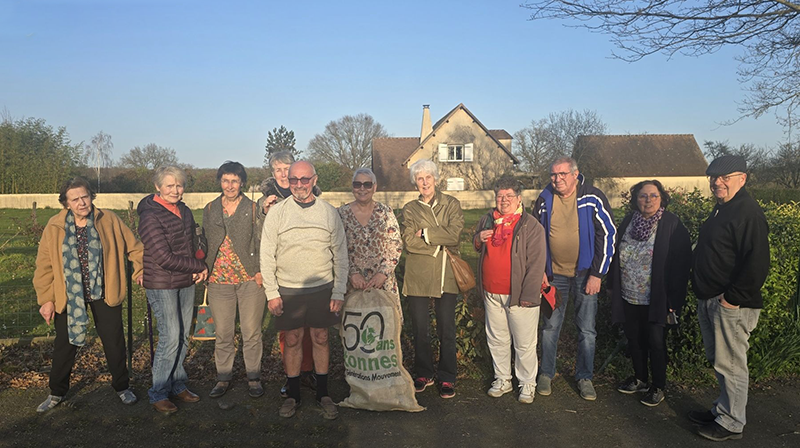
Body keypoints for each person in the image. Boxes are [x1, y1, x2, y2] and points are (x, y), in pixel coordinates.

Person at [33, 177, 143, 412]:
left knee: (114, 342)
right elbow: (44, 266)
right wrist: (46, 299)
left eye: (85, 196)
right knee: (64, 345)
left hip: (105, 291)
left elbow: (135, 247)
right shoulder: (55, 226)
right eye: (75, 199)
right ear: (66, 203)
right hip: (68, 296)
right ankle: (57, 393)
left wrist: (140, 270)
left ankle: (122, 387)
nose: (82, 202)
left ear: (91, 196)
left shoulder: (109, 219)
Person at [688, 155, 770, 442]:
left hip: (732, 304)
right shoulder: (723, 208)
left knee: (732, 364)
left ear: (742, 179)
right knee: (720, 361)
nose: (717, 182)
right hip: (712, 299)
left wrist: (732, 299)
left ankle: (732, 422)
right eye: (713, 177)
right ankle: (722, 410)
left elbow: (757, 263)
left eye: (725, 177)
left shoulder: (747, 212)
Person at [260, 160, 347, 420]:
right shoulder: (278, 212)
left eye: (304, 179)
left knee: (320, 338)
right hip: (289, 289)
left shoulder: (328, 212)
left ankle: (323, 393)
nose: (299, 184)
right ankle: (294, 394)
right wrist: (272, 293)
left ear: (314, 180)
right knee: (293, 339)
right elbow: (267, 255)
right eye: (294, 179)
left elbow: (340, 254)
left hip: (322, 287)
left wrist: (338, 291)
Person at [532, 156, 616, 401]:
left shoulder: (593, 197)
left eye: (562, 174)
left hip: (585, 275)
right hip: (553, 276)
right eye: (553, 174)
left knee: (587, 330)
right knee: (550, 328)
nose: (557, 179)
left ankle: (584, 377)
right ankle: (546, 373)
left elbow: (608, 234)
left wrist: (597, 274)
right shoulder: (544, 198)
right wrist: (540, 271)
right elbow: (534, 237)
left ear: (575, 175)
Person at [608, 180, 691, 407]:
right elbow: (615, 253)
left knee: (656, 342)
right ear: (636, 199)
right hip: (629, 294)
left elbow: (682, 265)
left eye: (654, 195)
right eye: (643, 196)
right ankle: (640, 378)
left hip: (657, 298)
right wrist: (611, 285)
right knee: (634, 339)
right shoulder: (628, 222)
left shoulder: (672, 224)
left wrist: (674, 299)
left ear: (661, 198)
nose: (648, 200)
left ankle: (658, 386)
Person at [137, 166, 208, 414]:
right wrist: (198, 266)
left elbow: (191, 244)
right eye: (169, 185)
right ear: (158, 187)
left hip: (185, 281)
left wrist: (199, 262)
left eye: (179, 185)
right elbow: (163, 257)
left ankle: (177, 384)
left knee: (183, 335)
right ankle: (158, 392)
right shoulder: (150, 216)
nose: (175, 190)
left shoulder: (184, 211)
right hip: (162, 283)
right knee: (170, 336)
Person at [473, 178, 546, 404]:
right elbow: (477, 245)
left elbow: (537, 264)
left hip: (519, 294)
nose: (504, 200)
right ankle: (503, 379)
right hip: (491, 291)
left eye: (509, 196)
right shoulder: (487, 220)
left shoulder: (530, 225)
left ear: (519, 199)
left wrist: (529, 296)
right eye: (500, 196)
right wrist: (478, 239)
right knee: (497, 339)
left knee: (524, 343)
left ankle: (527, 383)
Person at [400, 159, 464, 399]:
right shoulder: (409, 209)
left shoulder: (451, 204)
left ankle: (447, 376)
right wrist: (438, 245)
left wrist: (425, 233)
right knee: (420, 327)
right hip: (418, 273)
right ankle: (423, 372)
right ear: (415, 182)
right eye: (420, 178)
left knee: (446, 327)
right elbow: (408, 241)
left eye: (428, 177)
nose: (425, 182)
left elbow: (455, 235)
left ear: (436, 179)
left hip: (446, 273)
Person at [203, 161, 266, 399]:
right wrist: (204, 268)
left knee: (251, 332)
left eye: (235, 181)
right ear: (220, 182)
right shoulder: (210, 208)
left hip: (249, 279)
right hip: (218, 280)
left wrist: (259, 270)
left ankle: (253, 376)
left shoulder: (253, 208)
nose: (230, 186)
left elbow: (261, 240)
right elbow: (205, 241)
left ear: (242, 183)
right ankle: (223, 377)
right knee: (223, 333)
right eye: (226, 180)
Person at [258, 150, 318, 396]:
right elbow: (262, 239)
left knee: (311, 327)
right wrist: (265, 213)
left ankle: (308, 371)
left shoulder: (313, 195)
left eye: (287, 169)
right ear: (273, 174)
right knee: (288, 330)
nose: (283, 174)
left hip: (311, 269)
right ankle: (291, 374)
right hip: (283, 271)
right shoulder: (267, 201)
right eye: (278, 170)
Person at [338, 168, 403, 298]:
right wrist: (352, 273)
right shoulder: (341, 214)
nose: (362, 189)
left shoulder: (385, 212)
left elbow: (395, 245)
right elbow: (336, 248)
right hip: (352, 284)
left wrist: (382, 273)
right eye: (357, 184)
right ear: (352, 188)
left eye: (367, 184)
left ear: (374, 187)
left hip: (382, 283)